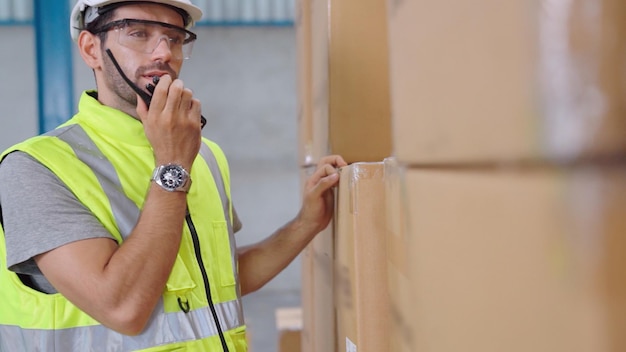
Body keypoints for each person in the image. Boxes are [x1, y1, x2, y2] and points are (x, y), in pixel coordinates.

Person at [0, 0, 347, 351]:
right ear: (91, 49)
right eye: (138, 33)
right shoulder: (37, 167)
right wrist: (173, 166)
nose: (163, 52)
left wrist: (305, 223)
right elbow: (121, 307)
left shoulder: (205, 155)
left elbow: (217, 279)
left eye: (175, 38)